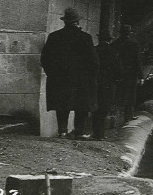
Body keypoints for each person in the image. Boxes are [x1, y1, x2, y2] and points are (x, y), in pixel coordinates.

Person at [41, 8, 99, 138]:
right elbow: (94, 61)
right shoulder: (86, 38)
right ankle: (79, 132)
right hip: (81, 80)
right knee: (81, 106)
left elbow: (45, 58)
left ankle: (62, 131)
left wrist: (52, 74)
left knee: (62, 105)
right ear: (77, 22)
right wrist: (91, 77)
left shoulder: (54, 36)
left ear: (65, 22)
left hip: (60, 79)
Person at [92, 31, 123, 140]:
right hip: (109, 84)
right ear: (110, 40)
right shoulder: (114, 52)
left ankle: (95, 132)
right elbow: (118, 70)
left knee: (95, 107)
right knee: (104, 108)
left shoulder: (94, 50)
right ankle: (100, 134)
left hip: (95, 82)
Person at [113, 24, 143, 122]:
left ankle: (115, 117)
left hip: (118, 72)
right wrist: (141, 76)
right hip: (131, 72)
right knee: (130, 94)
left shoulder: (115, 43)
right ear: (129, 34)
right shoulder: (134, 43)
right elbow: (137, 60)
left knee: (118, 93)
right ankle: (128, 116)